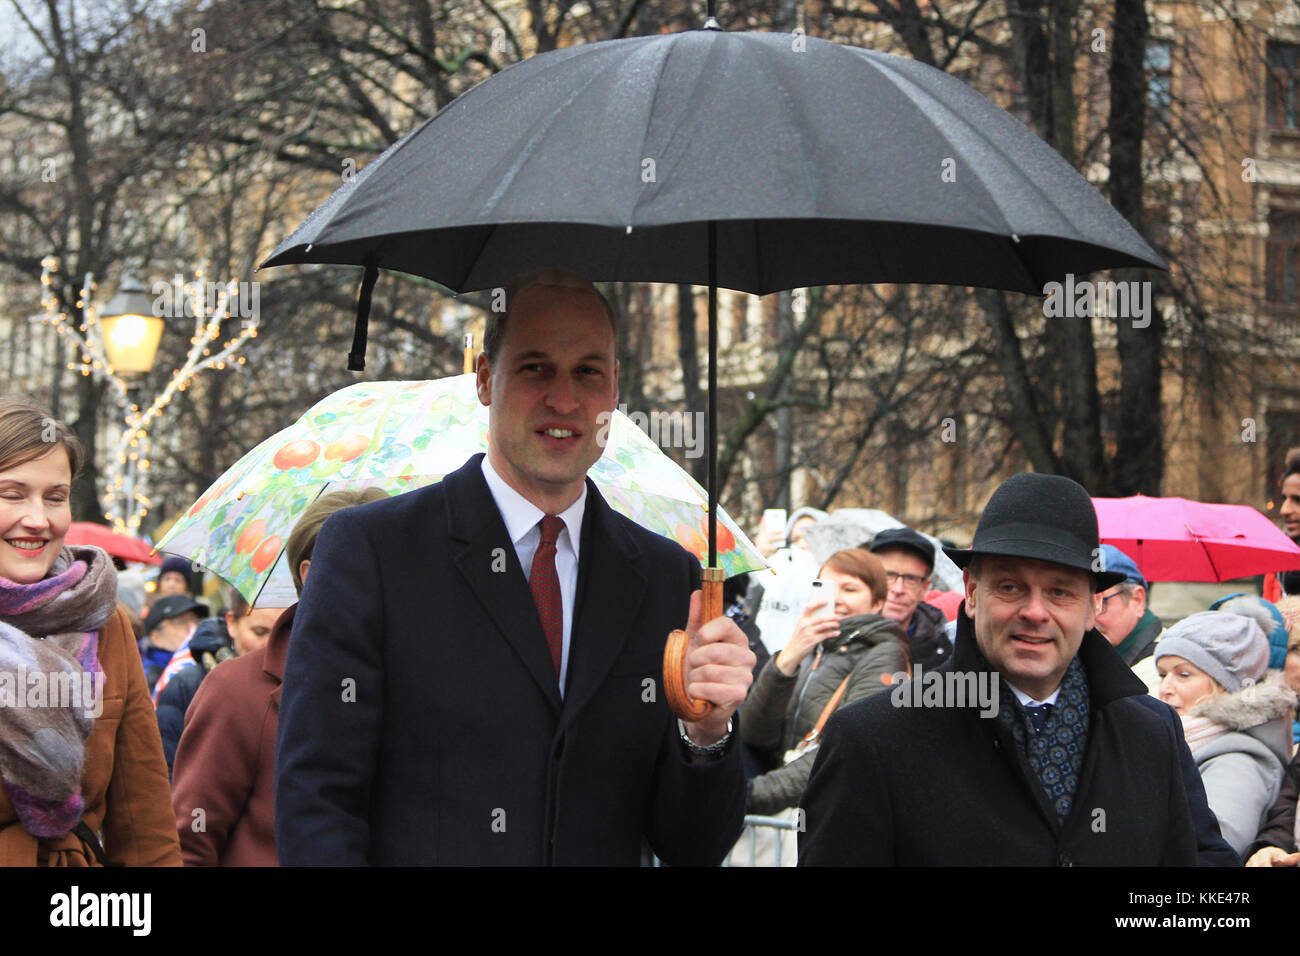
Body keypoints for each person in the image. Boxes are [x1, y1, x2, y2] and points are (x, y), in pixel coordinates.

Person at [275, 269, 755, 865]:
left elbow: (693, 845)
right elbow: (318, 802)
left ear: (613, 390)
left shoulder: (667, 580)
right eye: (535, 368)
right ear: (484, 379)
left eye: (588, 371)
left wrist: (706, 734)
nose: (564, 399)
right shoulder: (373, 551)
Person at [798, 472, 1197, 866]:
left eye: (1060, 591)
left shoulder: (1151, 732)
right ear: (971, 593)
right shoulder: (874, 738)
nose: (1035, 612)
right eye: (1010, 587)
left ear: (1093, 607)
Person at [0, 396, 180, 865]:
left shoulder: (104, 619)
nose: (38, 519)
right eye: (12, 493)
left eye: (55, 497)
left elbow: (142, 815)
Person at [172, 489, 387, 866]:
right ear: (312, 573)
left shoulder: (428, 678)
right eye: (373, 562)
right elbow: (191, 842)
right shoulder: (237, 689)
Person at [736, 548, 906, 866]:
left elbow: (840, 753)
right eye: (825, 587)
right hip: (788, 818)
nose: (836, 599)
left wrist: (748, 795)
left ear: (878, 603)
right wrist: (787, 659)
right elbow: (755, 733)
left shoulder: (886, 655)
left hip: (833, 821)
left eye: (850, 589)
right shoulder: (814, 650)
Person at [1155, 611, 1295, 859]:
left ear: (1225, 683)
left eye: (1184, 674)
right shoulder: (1182, 738)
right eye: (1163, 675)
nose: (1165, 689)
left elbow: (1210, 848)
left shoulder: (1237, 762)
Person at [155, 588, 284, 776]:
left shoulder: (301, 686)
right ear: (232, 623)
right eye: (259, 632)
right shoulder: (189, 684)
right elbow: (167, 771)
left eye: (281, 634)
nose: (270, 644)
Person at [869, 526, 951, 669]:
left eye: (911, 579)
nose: (898, 589)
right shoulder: (835, 636)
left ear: (925, 588)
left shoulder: (947, 654)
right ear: (870, 578)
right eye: (888, 575)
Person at [141, 593, 208, 703]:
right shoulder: (147, 680)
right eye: (179, 622)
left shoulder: (206, 662)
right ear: (156, 637)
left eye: (196, 620)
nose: (192, 627)